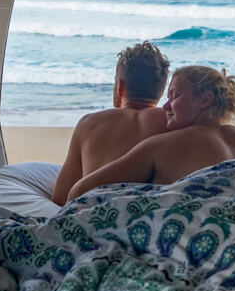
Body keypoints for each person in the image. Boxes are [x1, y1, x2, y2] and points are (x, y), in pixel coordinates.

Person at [65, 65, 235, 201]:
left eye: (175, 96)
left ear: (205, 100)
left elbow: (79, 191)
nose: (165, 106)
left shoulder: (163, 146)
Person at [51, 41, 170, 205]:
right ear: (162, 90)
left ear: (120, 86)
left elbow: (60, 197)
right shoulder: (173, 122)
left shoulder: (89, 123)